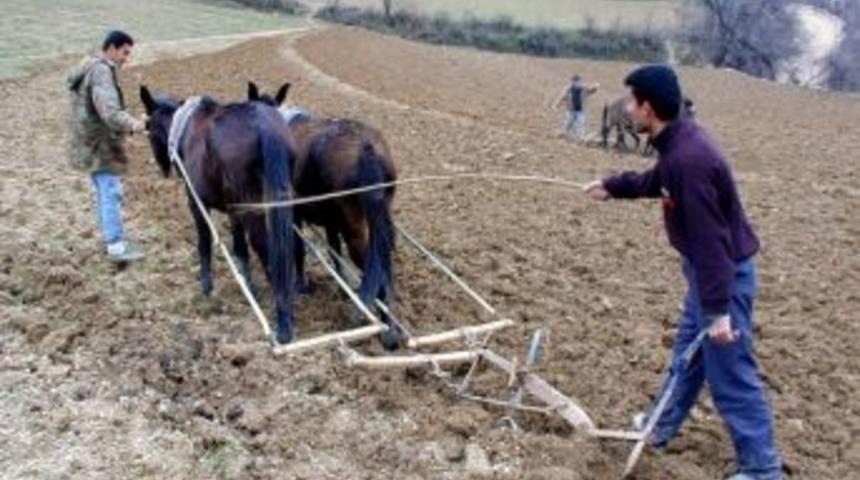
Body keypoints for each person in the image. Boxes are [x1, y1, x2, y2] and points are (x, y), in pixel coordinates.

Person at [583, 65, 782, 480]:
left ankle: (764, 470)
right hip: (706, 276)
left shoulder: (690, 160)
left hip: (722, 278)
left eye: (631, 101)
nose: (626, 108)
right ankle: (659, 427)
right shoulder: (677, 143)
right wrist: (613, 186)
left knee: (730, 374)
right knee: (687, 361)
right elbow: (659, 180)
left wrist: (719, 313)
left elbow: (713, 245)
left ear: (648, 109)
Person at [67, 30, 147, 263]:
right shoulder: (101, 71)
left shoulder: (88, 66)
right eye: (125, 52)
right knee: (111, 191)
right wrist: (136, 125)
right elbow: (110, 113)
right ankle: (116, 247)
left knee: (103, 191)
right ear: (111, 48)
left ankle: (111, 240)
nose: (126, 58)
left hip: (88, 141)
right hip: (100, 144)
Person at [553, 74, 599, 140]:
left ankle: (581, 138)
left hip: (581, 112)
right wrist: (556, 105)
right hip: (571, 111)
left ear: (580, 82)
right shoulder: (569, 90)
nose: (576, 84)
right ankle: (563, 134)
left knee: (580, 125)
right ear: (572, 82)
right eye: (574, 82)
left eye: (578, 82)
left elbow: (592, 90)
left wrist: (596, 87)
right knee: (567, 123)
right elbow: (562, 97)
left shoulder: (584, 89)